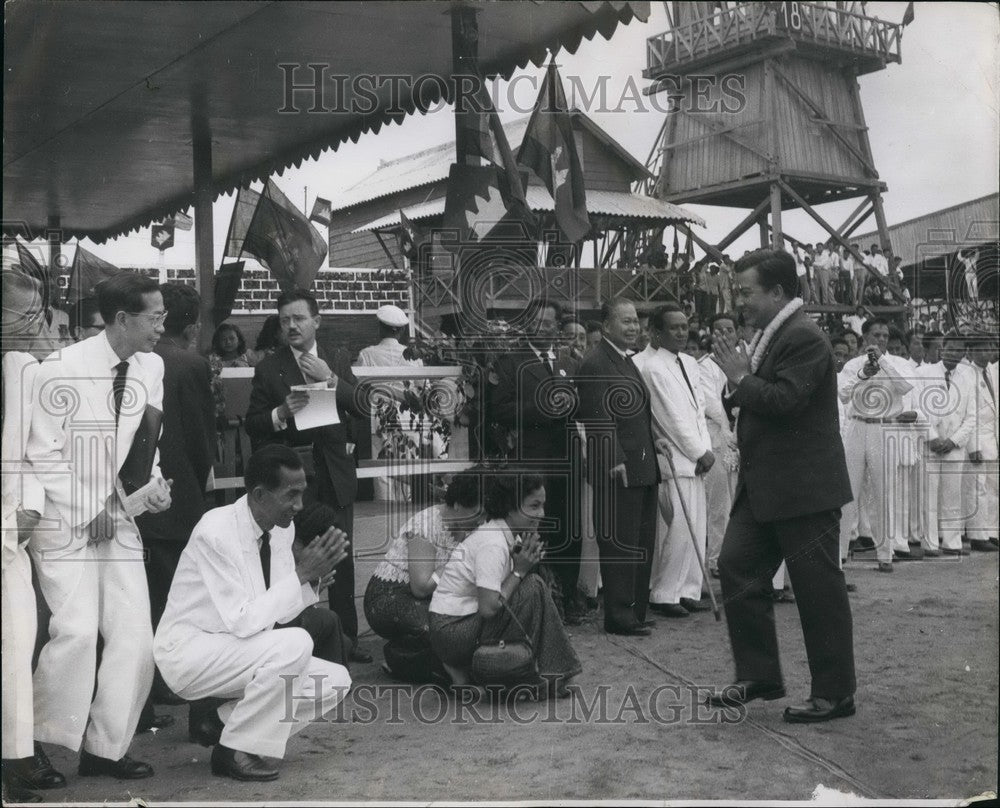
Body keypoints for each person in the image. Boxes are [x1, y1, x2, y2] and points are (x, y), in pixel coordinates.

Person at [23, 273, 172, 778]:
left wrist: (151, 488)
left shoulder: (152, 367)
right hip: (65, 520)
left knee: (134, 637)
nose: (162, 326)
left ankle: (104, 748)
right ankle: (32, 744)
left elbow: (144, 443)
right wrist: (91, 510)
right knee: (79, 631)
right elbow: (41, 455)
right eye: (155, 317)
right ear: (122, 319)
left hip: (118, 517)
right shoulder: (58, 369)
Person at [708, 248, 855, 724]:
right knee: (736, 566)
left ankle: (835, 694)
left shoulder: (805, 338)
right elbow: (759, 400)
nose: (739, 301)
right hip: (768, 487)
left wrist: (738, 378)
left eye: (746, 291)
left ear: (777, 292)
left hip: (805, 490)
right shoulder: (774, 336)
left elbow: (786, 401)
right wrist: (741, 383)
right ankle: (760, 674)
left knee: (817, 591)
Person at [153, 445, 351, 782]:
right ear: (259, 494)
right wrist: (300, 575)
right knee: (296, 644)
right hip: (188, 653)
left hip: (236, 648)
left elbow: (271, 613)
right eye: (292, 495)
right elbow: (245, 620)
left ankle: (221, 722)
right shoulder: (215, 532)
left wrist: (309, 584)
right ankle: (232, 751)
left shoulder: (281, 528)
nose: (299, 506)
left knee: (334, 681)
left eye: (302, 493)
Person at [245, 289, 371, 663]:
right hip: (295, 482)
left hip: (335, 472)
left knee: (342, 558)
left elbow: (362, 406)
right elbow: (253, 423)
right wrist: (280, 413)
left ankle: (347, 639)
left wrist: (331, 378)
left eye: (298, 318)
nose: (291, 326)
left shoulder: (336, 358)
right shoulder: (269, 368)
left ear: (316, 320)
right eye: (285, 320)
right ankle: (297, 637)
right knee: (291, 557)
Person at [134, 284, 217, 736]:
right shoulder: (189, 364)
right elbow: (203, 439)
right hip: (176, 501)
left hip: (133, 503)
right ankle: (158, 691)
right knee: (173, 604)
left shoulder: (138, 359)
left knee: (142, 604)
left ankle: (149, 693)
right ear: (191, 325)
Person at [428, 473, 581, 695]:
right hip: (452, 631)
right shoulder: (493, 543)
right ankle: (553, 674)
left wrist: (524, 562)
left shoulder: (506, 535)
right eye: (534, 506)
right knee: (533, 585)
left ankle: (549, 672)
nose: (542, 513)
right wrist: (519, 570)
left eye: (542, 505)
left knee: (531, 586)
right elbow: (489, 608)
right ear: (510, 508)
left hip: (460, 624)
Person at [489, 301, 582, 621]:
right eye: (538, 322)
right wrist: (542, 408)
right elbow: (497, 410)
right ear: (527, 324)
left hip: (568, 460)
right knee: (534, 531)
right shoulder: (510, 362)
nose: (545, 329)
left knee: (569, 529)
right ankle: (537, 604)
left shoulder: (568, 360)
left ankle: (569, 599)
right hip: (533, 462)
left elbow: (579, 405)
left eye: (550, 324)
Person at [2, 350, 67, 802]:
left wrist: (31, 505)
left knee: (17, 644)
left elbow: (31, 452)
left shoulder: (20, 367)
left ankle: (16, 756)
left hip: (10, 535)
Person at [575, 299, 661, 636]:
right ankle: (619, 615)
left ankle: (635, 611)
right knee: (621, 543)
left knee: (640, 541)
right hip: (619, 469)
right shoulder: (597, 362)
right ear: (607, 325)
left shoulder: (624, 360)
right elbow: (597, 416)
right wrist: (613, 459)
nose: (633, 328)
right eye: (625, 322)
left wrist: (657, 443)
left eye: (635, 322)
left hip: (641, 465)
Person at [363, 471, 481, 681]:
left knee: (466, 628)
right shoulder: (425, 526)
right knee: (441, 630)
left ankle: (405, 653)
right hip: (390, 595)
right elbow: (421, 587)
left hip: (429, 597)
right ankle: (398, 658)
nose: (480, 521)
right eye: (476, 513)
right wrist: (456, 563)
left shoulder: (469, 525)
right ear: (457, 505)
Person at [639, 304, 713, 618]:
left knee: (697, 526)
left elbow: (698, 411)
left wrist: (705, 450)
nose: (681, 333)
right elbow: (669, 418)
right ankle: (664, 592)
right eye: (674, 328)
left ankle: (688, 590)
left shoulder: (689, 362)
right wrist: (698, 452)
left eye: (684, 327)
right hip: (676, 457)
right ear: (655, 332)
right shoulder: (652, 367)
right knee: (680, 527)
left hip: (697, 456)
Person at [838, 318, 916, 572]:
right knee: (847, 492)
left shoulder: (897, 363)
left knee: (884, 493)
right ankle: (839, 555)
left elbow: (905, 387)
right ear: (865, 337)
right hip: (857, 425)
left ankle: (885, 555)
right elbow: (843, 394)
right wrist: (864, 374)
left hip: (884, 427)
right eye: (876, 335)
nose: (881, 339)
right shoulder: (852, 365)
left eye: (884, 335)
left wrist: (882, 360)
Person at [355, 304, 423, 502]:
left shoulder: (367, 354)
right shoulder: (414, 356)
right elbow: (422, 387)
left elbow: (359, 388)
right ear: (401, 331)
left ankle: (382, 513)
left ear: (379, 328)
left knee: (382, 471)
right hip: (408, 420)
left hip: (378, 421)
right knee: (407, 469)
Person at [918, 334, 979, 556]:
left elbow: (971, 417)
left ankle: (952, 542)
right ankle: (930, 543)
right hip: (930, 445)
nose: (954, 353)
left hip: (954, 447)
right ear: (942, 349)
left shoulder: (968, 377)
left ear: (964, 353)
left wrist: (953, 441)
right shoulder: (924, 373)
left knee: (953, 496)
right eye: (950, 349)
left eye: (959, 350)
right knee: (929, 495)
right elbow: (918, 409)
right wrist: (932, 437)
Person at [701, 313, 740, 578]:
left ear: (736, 333)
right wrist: (729, 428)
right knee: (719, 505)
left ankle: (738, 557)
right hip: (719, 437)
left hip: (744, 436)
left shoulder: (747, 357)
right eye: (718, 330)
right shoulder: (705, 364)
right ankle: (716, 559)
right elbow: (710, 401)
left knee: (740, 503)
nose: (724, 334)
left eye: (729, 329)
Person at [966, 338, 999, 551]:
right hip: (977, 438)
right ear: (972, 350)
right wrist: (973, 445)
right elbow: (967, 414)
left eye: (991, 347)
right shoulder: (966, 374)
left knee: (993, 488)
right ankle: (978, 535)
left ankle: (992, 531)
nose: (988, 352)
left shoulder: (993, 373)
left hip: (992, 438)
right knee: (977, 488)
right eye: (983, 348)